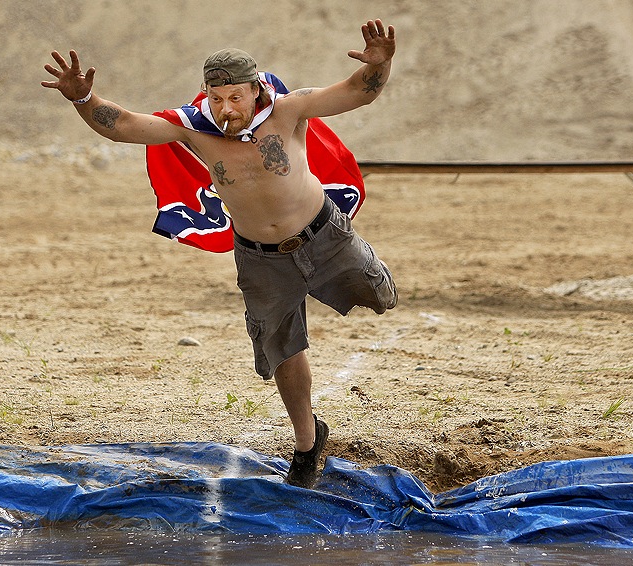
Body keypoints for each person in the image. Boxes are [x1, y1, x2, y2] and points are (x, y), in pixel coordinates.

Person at [42, 19, 398, 489]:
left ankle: (367, 271)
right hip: (261, 257)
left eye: (235, 97)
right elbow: (124, 125)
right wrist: (83, 99)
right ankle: (308, 443)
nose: (226, 108)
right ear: (205, 93)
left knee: (380, 297)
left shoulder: (289, 110)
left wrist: (380, 63)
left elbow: (358, 91)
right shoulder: (193, 128)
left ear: (255, 90)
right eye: (216, 97)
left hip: (325, 236)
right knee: (282, 349)